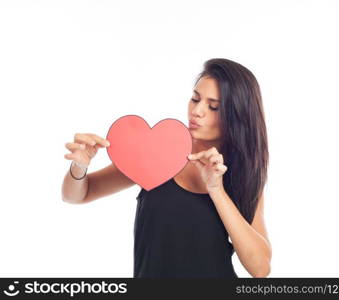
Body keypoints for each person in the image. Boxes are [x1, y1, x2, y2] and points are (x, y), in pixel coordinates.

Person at [62, 58, 272, 278]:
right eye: (195, 99)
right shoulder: (158, 150)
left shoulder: (242, 173)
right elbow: (75, 196)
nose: (197, 111)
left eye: (213, 106)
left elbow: (260, 268)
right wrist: (79, 166)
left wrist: (216, 190)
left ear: (238, 115)